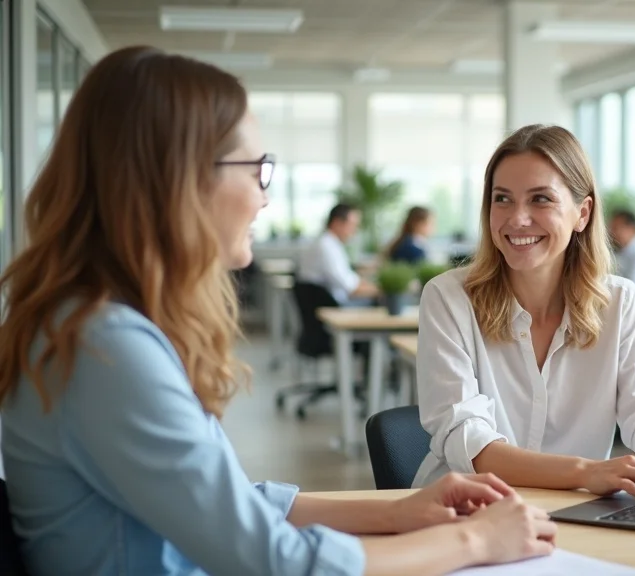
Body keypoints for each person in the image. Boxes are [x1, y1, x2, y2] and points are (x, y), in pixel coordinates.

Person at [0, 45, 555, 576]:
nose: (265, 196)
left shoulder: (97, 327)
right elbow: (274, 561)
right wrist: (475, 539)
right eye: (257, 169)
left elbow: (232, 504)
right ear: (181, 180)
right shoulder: (106, 349)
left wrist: (399, 512)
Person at [411, 124, 635, 503]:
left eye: (540, 199)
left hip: (576, 512)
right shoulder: (448, 298)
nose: (517, 219)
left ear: (583, 213)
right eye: (502, 199)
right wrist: (587, 472)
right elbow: (469, 441)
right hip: (466, 510)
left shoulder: (620, 302)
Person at [296, 203, 377, 304]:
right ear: (337, 223)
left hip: (331, 302)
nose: (354, 231)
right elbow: (350, 287)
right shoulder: (326, 246)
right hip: (334, 305)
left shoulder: (330, 243)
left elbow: (351, 281)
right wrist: (384, 290)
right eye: (352, 225)